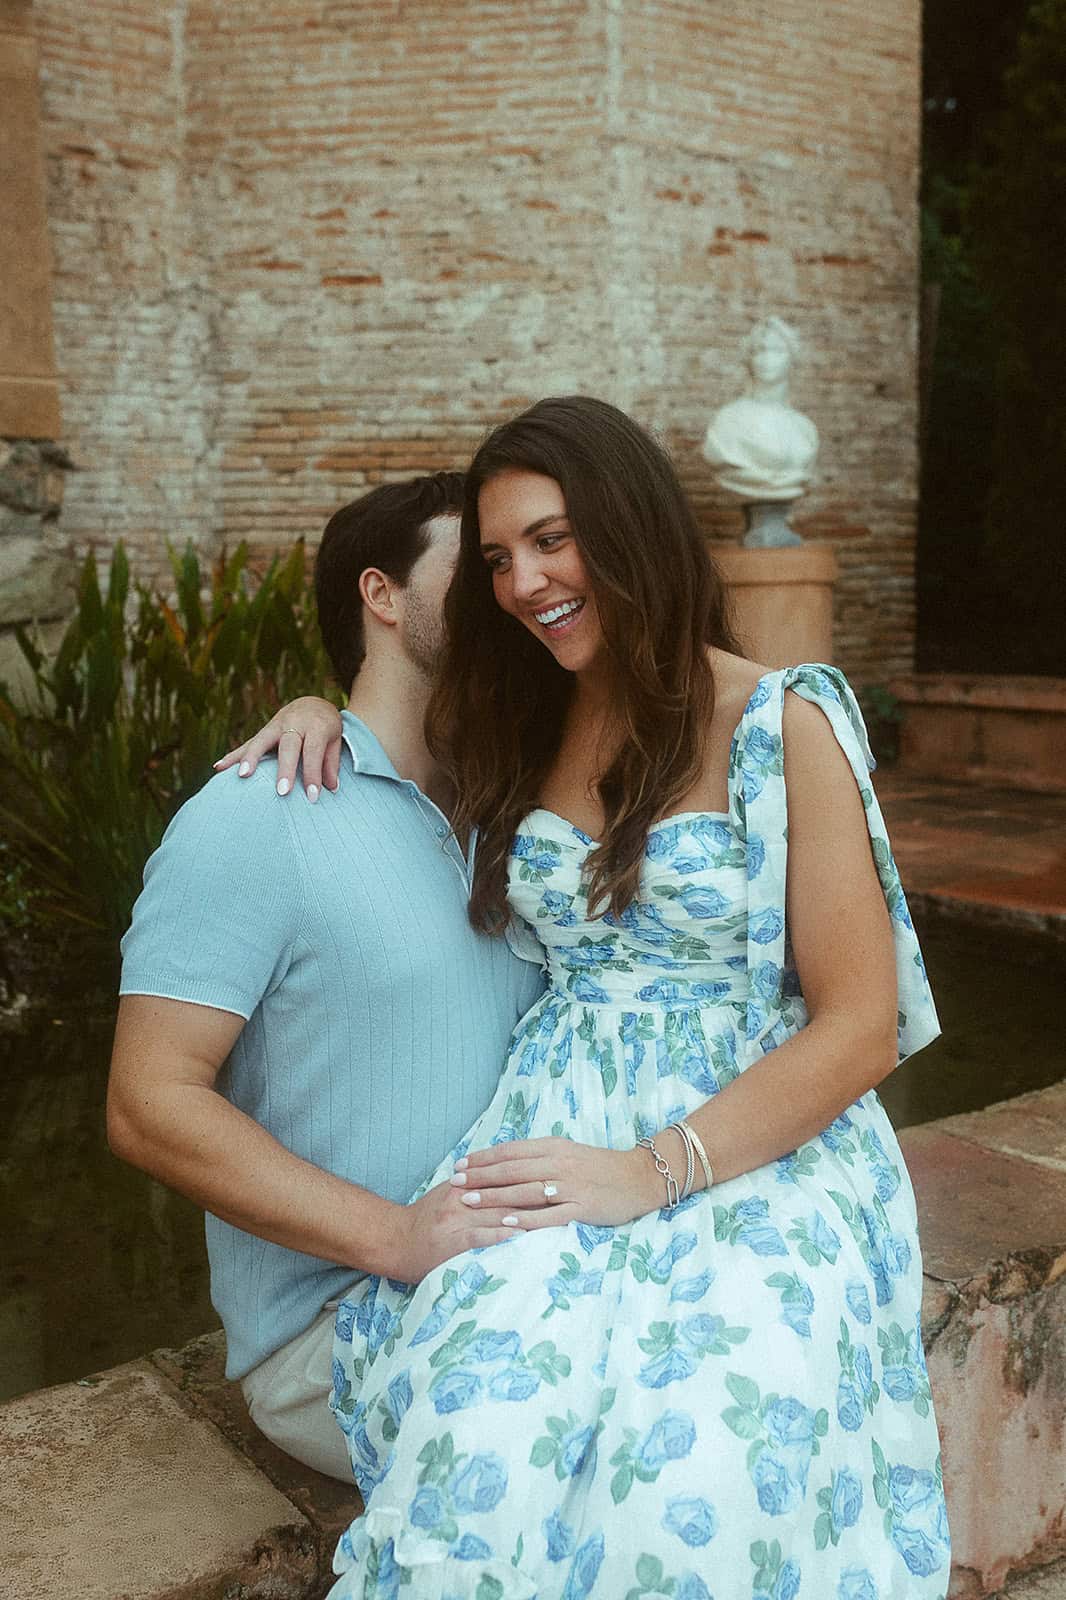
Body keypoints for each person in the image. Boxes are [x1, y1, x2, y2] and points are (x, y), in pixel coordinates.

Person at [230, 397, 950, 1598]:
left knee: (698, 1465)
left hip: (755, 1137)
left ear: (628, 523)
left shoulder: (786, 718)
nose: (522, 581)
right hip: (550, 1115)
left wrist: (652, 1168)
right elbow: (381, 729)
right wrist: (313, 715)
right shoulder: (511, 719)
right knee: (479, 1438)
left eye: (550, 539)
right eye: (501, 559)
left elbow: (858, 1024)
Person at [107, 474, 543, 1481]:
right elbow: (146, 1102)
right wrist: (394, 1237)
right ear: (380, 595)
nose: (509, 592)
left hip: (514, 1277)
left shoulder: (505, 807)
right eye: (475, 568)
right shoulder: (257, 813)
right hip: (339, 1327)